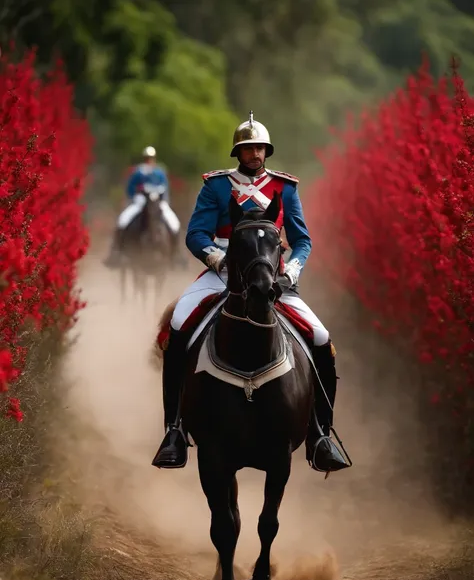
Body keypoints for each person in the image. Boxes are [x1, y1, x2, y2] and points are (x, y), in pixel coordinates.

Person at [153, 112, 338, 470]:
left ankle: (320, 434)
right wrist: (219, 261)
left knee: (320, 336)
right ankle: (174, 429)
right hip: (222, 271)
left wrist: (291, 273)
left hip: (272, 276)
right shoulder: (217, 186)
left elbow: (301, 241)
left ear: (267, 151)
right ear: (237, 152)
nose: (255, 154)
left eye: (259, 148)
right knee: (177, 326)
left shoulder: (285, 188)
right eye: (248, 148)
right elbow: (196, 235)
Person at [104, 146, 180, 266]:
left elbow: (165, 188)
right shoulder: (138, 172)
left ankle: (175, 254)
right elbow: (130, 189)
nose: (149, 160)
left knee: (174, 223)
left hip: (158, 202)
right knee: (123, 220)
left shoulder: (160, 172)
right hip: (140, 201)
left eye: (151, 158)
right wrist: (136, 195)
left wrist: (163, 198)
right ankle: (117, 252)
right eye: (147, 158)